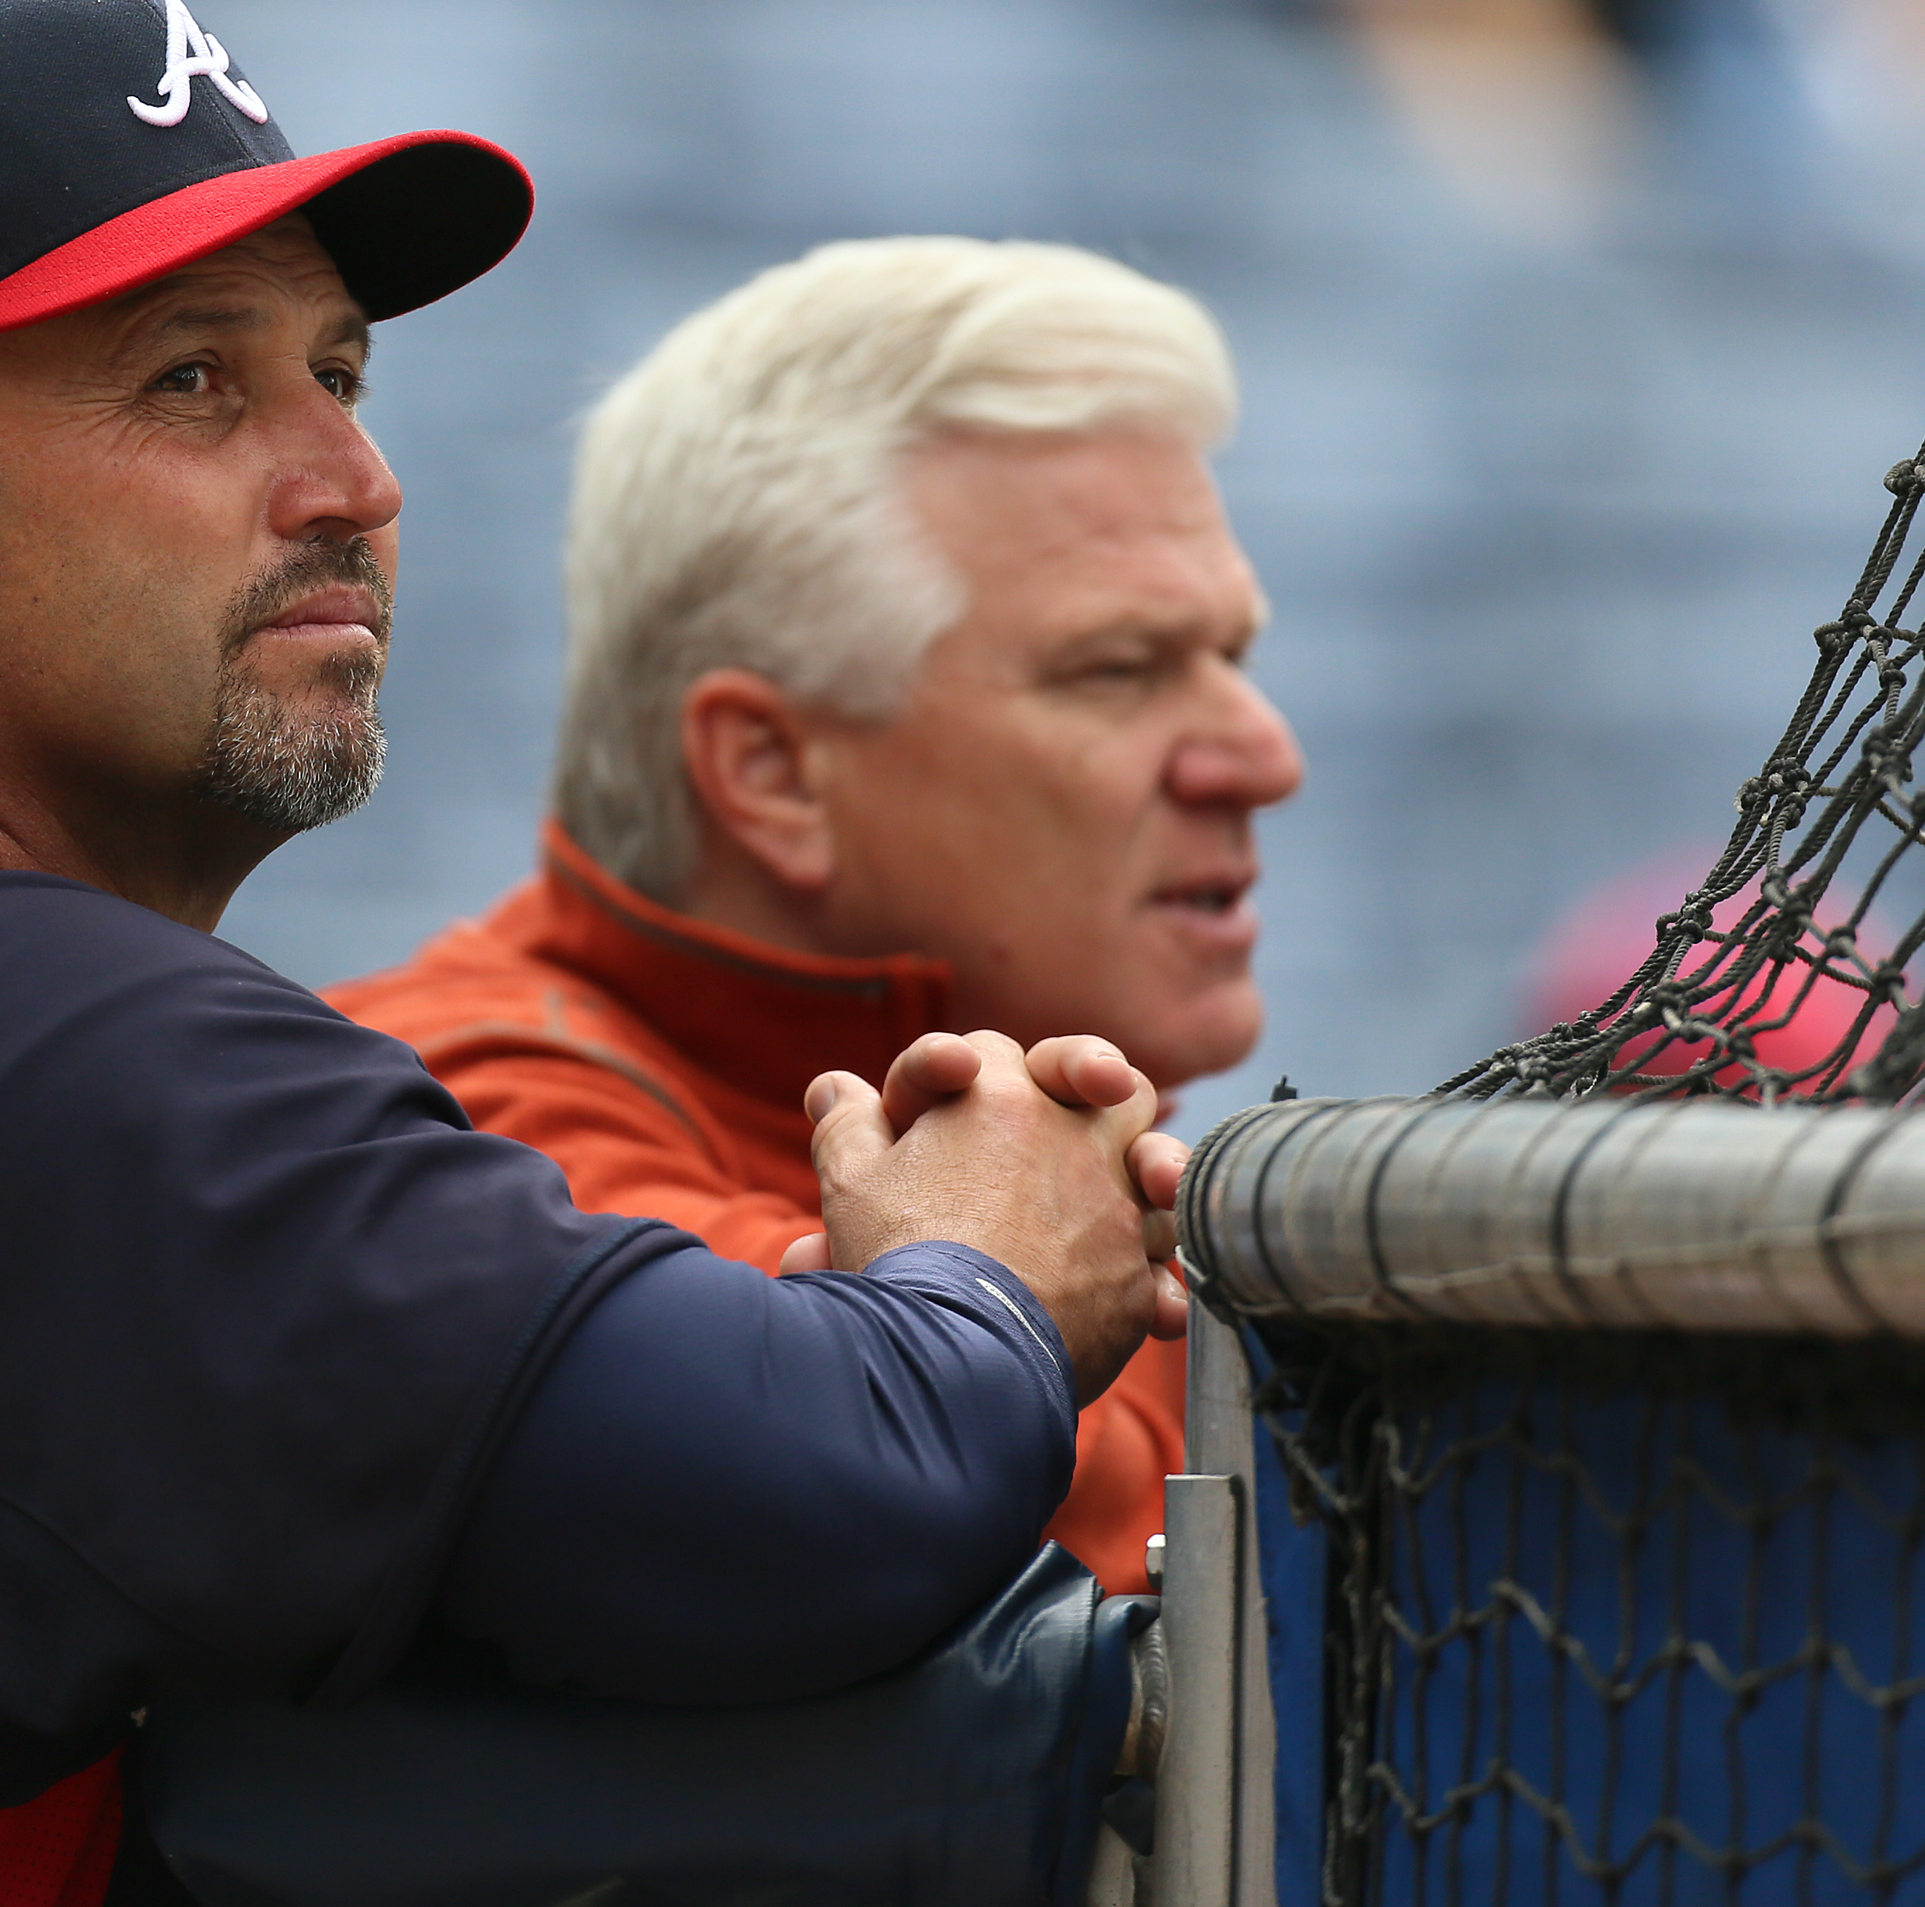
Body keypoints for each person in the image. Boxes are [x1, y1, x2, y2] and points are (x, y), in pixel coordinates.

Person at [0, 0, 1187, 1907]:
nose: (354, 481)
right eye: (190, 378)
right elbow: (841, 1488)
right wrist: (981, 1278)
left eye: (335, 373)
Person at [330, 236, 1306, 1601]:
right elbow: (926, 1479)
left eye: (1234, 656)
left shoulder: (1083, 1148)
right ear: (773, 775)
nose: (1263, 756)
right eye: (1120, 669)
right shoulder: (454, 1138)